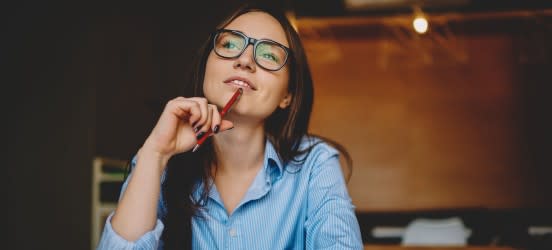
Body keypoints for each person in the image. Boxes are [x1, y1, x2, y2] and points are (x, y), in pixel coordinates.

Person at [97, 2, 363, 249]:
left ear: (287, 95)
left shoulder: (315, 164)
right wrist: (155, 153)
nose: (245, 60)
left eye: (269, 54)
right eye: (230, 44)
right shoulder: (158, 163)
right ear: (206, 69)